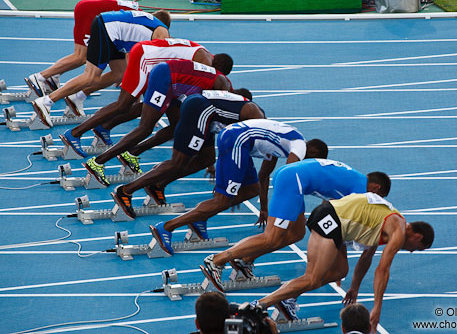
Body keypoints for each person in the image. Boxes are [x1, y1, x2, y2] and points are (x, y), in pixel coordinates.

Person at [248, 192, 434, 333]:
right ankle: (260, 305)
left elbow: (366, 258)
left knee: (340, 271)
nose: (411, 251)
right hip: (330, 218)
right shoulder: (399, 230)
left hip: (336, 225)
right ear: (418, 236)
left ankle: (287, 297)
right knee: (313, 278)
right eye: (417, 248)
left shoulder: (390, 225)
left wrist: (354, 287)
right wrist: (377, 306)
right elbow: (382, 269)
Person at [201, 159, 391, 288]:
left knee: (296, 233)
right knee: (271, 237)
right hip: (294, 181)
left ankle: (245, 260)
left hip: (294, 178)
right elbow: (342, 224)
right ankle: (216, 261)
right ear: (376, 188)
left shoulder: (354, 179)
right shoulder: (360, 191)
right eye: (379, 197)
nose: (375, 201)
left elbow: (331, 207)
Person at [148, 118, 329, 254]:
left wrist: (264, 208)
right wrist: (282, 216)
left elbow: (264, 175)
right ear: (312, 153)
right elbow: (289, 180)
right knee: (222, 200)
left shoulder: (283, 144)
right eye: (312, 162)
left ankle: (198, 218)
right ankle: (166, 227)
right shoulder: (299, 148)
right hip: (236, 140)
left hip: (239, 140)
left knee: (252, 189)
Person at [60, 38, 233, 157]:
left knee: (150, 108)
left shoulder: (206, 55)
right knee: (123, 104)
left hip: (158, 67)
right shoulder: (206, 65)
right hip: (147, 59)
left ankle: (104, 127)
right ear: (217, 68)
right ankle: (74, 133)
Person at [109, 91, 266, 218]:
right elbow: (235, 153)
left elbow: (231, 151)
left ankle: (157, 184)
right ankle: (125, 191)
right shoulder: (254, 116)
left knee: (206, 159)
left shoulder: (243, 116)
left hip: (206, 116)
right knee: (179, 161)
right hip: (200, 110)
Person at [80, 59, 235, 184]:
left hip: (173, 85)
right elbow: (208, 119)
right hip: (166, 78)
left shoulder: (220, 83)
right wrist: (210, 162)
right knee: (145, 128)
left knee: (176, 126)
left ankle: (132, 153)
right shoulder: (224, 86)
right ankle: (97, 163)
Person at [32, 9, 171, 127]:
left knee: (119, 73)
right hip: (106, 28)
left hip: (114, 35)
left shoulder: (146, 29)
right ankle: (46, 101)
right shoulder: (162, 36)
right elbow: (149, 70)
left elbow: (134, 63)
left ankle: (77, 96)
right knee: (91, 76)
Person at [25, 0, 140, 101]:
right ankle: (39, 77)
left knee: (119, 72)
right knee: (81, 56)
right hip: (90, 14)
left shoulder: (145, 20)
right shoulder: (144, 30)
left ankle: (60, 82)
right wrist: (136, 96)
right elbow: (132, 60)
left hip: (102, 22)